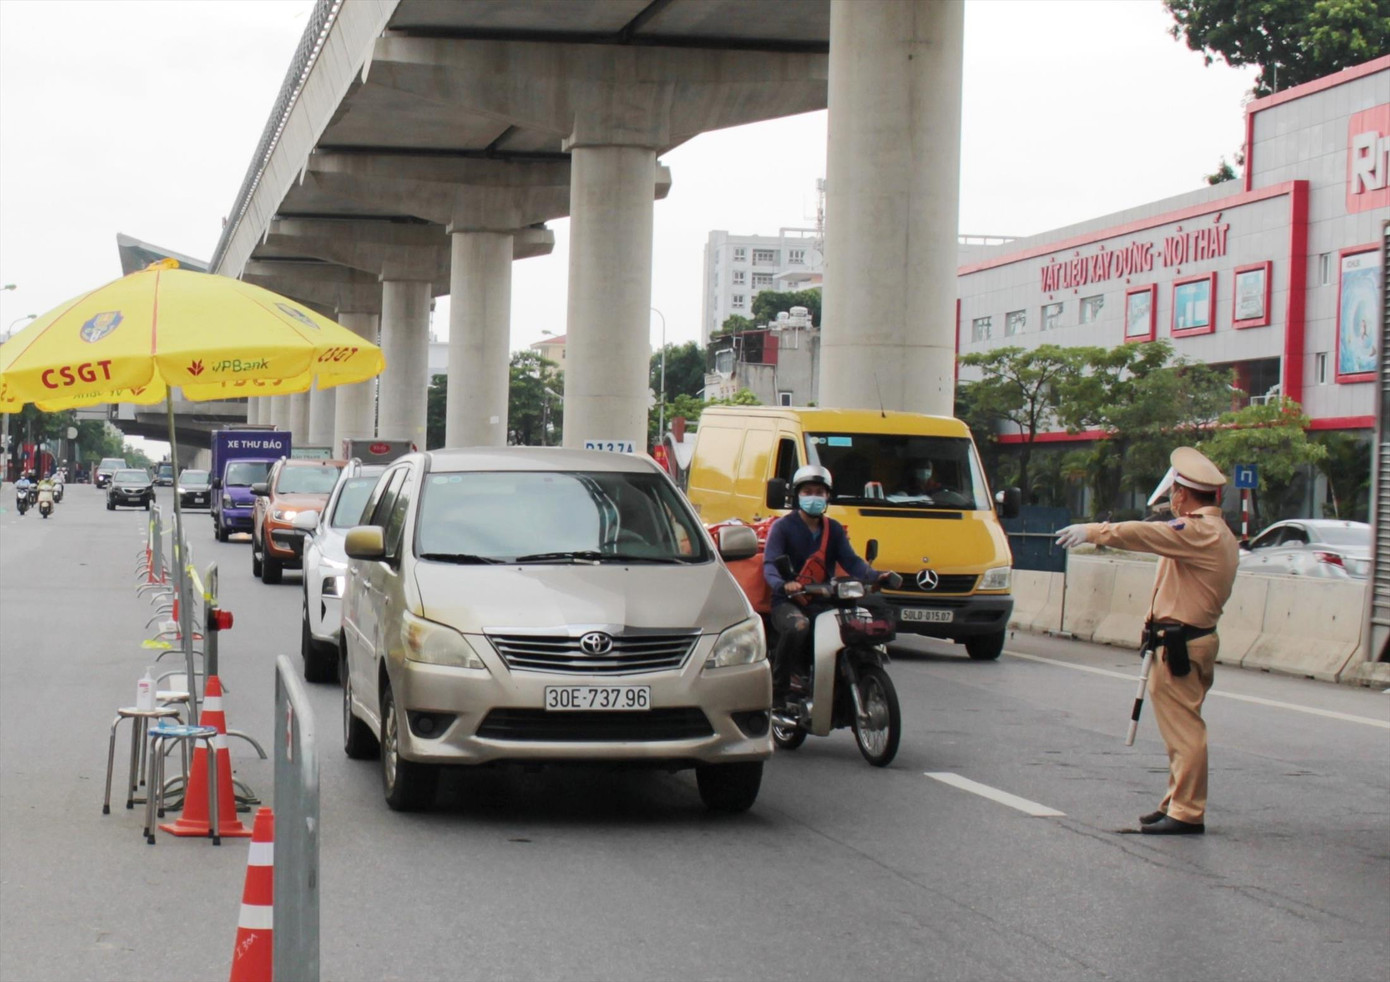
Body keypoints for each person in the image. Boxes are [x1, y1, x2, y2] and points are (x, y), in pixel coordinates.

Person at [1055, 447, 1239, 836]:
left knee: (1185, 731)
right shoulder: (1213, 532)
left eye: (1175, 492)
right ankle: (1175, 801)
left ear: (1183, 495)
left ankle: (1187, 811)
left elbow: (1145, 533)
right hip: (1183, 641)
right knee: (1179, 729)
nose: (1172, 500)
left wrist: (1094, 531)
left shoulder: (1198, 531)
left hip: (1182, 644)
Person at [763, 464, 892, 697]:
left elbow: (852, 561)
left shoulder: (833, 529)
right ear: (797, 496)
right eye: (807, 492)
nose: (814, 497)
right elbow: (770, 564)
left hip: (824, 599)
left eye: (819, 492)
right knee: (798, 626)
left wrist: (876, 576)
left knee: (854, 625)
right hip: (789, 602)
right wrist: (783, 584)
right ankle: (779, 686)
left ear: (828, 497)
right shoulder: (782, 528)